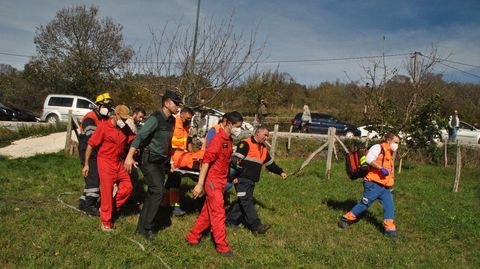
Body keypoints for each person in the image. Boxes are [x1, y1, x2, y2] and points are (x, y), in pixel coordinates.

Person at [124, 90, 182, 240]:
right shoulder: (155, 119)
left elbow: (167, 143)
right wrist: (129, 157)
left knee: (152, 193)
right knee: (158, 191)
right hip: (148, 160)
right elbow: (139, 137)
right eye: (176, 103)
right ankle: (148, 227)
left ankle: (141, 227)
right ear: (166, 103)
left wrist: (169, 161)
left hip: (161, 162)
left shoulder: (172, 121)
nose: (178, 107)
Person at [185, 112, 244, 257]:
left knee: (207, 212)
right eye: (237, 126)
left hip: (221, 180)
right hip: (212, 182)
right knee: (218, 213)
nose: (239, 130)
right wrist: (200, 184)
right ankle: (222, 246)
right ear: (228, 123)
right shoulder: (217, 139)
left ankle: (192, 237)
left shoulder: (229, 140)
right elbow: (206, 162)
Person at [82, 105, 136, 231]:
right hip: (105, 162)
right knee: (107, 192)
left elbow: (133, 140)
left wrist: (132, 155)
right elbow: (90, 145)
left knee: (128, 187)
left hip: (118, 162)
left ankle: (109, 207)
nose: (123, 121)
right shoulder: (104, 126)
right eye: (121, 118)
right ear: (115, 115)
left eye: (125, 119)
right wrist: (86, 164)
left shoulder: (125, 129)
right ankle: (106, 221)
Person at [226, 126, 288, 235]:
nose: (267, 138)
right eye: (265, 135)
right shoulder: (245, 143)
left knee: (242, 201)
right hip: (241, 180)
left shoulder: (263, 149)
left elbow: (270, 165)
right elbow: (234, 161)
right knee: (247, 201)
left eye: (268, 136)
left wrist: (281, 172)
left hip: (251, 182)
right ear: (257, 133)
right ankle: (256, 225)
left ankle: (229, 222)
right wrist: (232, 178)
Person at [338, 133, 401, 237]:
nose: (397, 145)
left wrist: (390, 182)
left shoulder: (390, 152)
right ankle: (346, 219)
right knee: (365, 204)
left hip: (384, 186)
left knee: (389, 206)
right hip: (373, 183)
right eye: (396, 142)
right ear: (389, 140)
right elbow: (368, 159)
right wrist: (380, 168)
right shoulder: (378, 147)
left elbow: (390, 169)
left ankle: (390, 231)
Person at [77, 93, 113, 216]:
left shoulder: (103, 118)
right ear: (97, 106)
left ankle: (83, 202)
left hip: (95, 151)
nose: (107, 109)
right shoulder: (90, 118)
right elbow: (92, 139)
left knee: (93, 177)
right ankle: (90, 206)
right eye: (105, 106)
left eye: (109, 106)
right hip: (88, 149)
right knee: (94, 177)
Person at [165, 106, 202, 216]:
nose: (189, 121)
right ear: (181, 115)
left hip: (181, 156)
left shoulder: (186, 126)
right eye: (187, 118)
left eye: (191, 119)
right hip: (173, 157)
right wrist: (170, 160)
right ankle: (175, 207)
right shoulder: (174, 124)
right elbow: (168, 143)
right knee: (175, 181)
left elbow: (188, 142)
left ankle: (163, 202)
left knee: (171, 181)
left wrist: (192, 155)